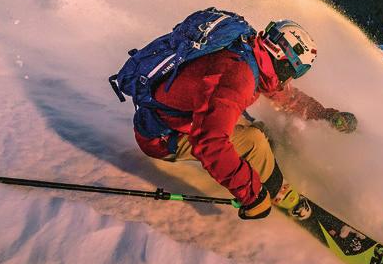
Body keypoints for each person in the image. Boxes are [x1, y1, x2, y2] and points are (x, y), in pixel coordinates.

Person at [133, 19, 357, 220]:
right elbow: (209, 143)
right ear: (283, 59)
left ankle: (268, 174)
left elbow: (289, 98)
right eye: (296, 70)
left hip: (178, 117)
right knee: (254, 141)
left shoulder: (251, 53)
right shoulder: (238, 77)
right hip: (163, 137)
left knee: (264, 133)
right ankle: (280, 194)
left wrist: (326, 115)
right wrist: (251, 194)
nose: (291, 78)